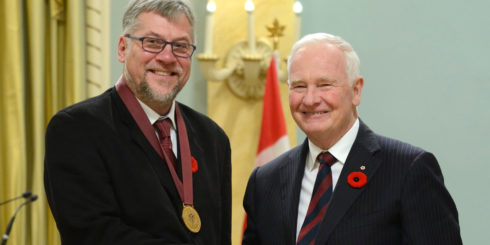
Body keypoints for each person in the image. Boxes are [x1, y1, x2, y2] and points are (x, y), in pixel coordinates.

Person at [242, 33, 462, 245]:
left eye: (324, 85)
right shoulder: (264, 182)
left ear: (356, 91)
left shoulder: (408, 170)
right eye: (299, 86)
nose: (310, 100)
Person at [44, 0, 231, 244]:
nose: (167, 57)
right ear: (122, 48)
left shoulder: (213, 138)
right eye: (152, 42)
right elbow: (93, 234)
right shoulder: (76, 130)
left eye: (181, 46)